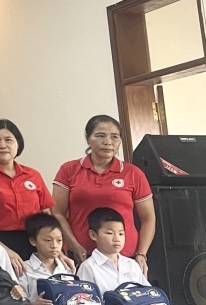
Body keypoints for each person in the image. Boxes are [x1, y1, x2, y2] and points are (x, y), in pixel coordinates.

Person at [53, 115, 155, 271]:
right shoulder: (69, 169)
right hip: (80, 254)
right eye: (100, 136)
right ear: (88, 139)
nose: (108, 142)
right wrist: (74, 245)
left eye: (114, 137)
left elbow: (148, 218)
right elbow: (57, 212)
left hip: (124, 256)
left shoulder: (133, 173)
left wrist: (141, 253)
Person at [0, 120, 58, 274]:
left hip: (35, 243)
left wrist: (56, 251)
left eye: (8, 140)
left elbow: (46, 215)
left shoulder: (33, 175)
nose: (2, 145)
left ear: (18, 143)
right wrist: (4, 250)